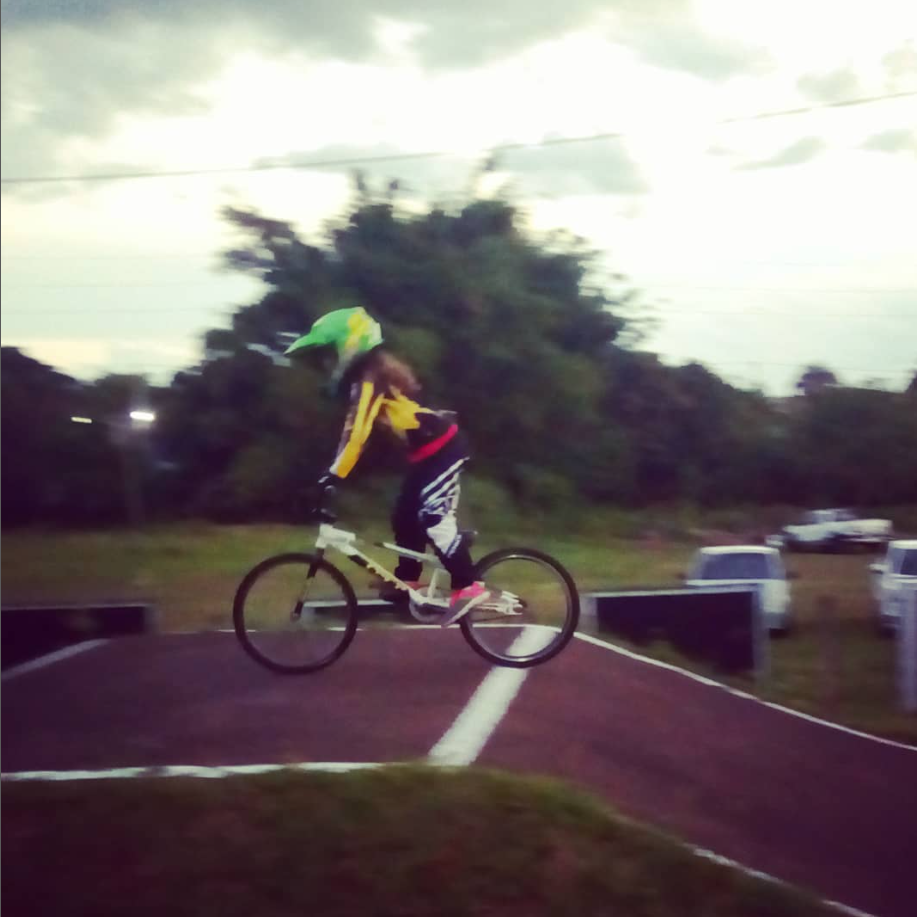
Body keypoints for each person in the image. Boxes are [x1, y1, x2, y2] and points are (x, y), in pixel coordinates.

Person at [284, 306, 496, 626]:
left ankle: (470, 586)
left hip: (444, 448)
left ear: (350, 344)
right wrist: (334, 472)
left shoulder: (372, 378)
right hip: (425, 455)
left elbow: (358, 435)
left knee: (434, 518)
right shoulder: (365, 380)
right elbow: (352, 434)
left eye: (330, 353)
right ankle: (408, 580)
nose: (327, 362)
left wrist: (333, 475)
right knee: (403, 516)